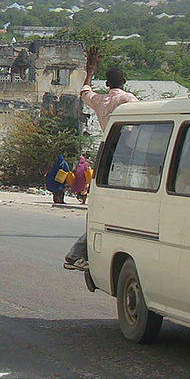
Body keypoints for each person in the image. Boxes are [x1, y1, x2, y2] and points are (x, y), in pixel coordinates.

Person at [65, 48, 137, 270]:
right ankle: (83, 252)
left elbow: (85, 91)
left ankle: (80, 253)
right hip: (125, 156)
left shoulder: (100, 102)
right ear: (123, 82)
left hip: (106, 156)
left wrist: (90, 71)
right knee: (120, 213)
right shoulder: (129, 99)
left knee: (107, 211)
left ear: (107, 85)